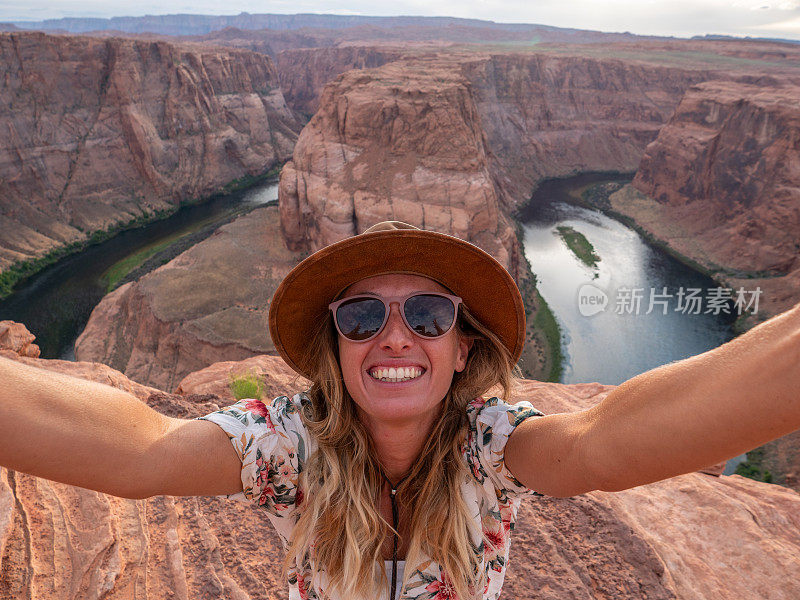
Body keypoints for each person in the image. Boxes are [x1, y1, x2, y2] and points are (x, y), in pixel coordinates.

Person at [1, 221, 799, 600]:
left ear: (461, 349)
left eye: (427, 315)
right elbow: (143, 451)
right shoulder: (287, 445)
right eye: (359, 318)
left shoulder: (492, 448)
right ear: (335, 350)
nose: (393, 337)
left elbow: (601, 442)